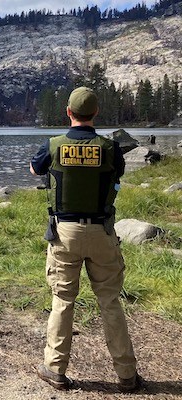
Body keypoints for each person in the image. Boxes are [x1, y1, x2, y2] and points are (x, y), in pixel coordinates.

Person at [30, 87, 141, 393]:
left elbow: (34, 168)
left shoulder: (53, 145)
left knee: (63, 300)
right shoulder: (110, 147)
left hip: (65, 233)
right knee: (110, 301)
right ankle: (127, 375)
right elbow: (117, 173)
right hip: (102, 232)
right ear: (95, 114)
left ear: (68, 112)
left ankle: (55, 370)